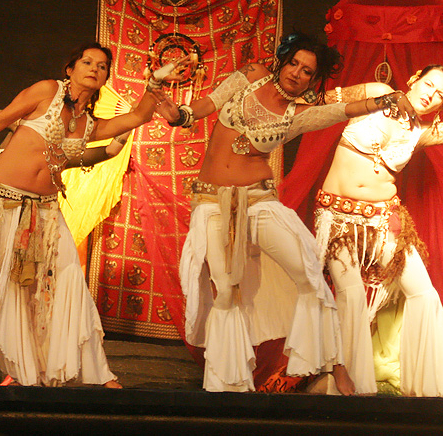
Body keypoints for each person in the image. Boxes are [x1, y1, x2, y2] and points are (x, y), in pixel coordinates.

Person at [153, 32, 414, 394]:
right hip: (212, 202)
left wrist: (386, 100)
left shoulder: (299, 115)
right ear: (282, 61)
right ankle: (227, 386)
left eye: (307, 72)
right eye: (294, 63)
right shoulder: (251, 75)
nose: (297, 73)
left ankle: (333, 367)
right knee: (226, 292)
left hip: (259, 201)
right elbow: (208, 104)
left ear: (313, 80)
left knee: (308, 275)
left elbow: (343, 109)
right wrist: (180, 115)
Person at [0, 42, 159, 387]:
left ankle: (92, 373)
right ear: (70, 68)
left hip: (43, 210)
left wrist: (155, 85)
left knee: (68, 280)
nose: (94, 68)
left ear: (105, 78)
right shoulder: (46, 93)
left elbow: (134, 121)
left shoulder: (87, 127)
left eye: (102, 66)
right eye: (87, 61)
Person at [314, 65, 443, 397]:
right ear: (413, 80)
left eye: (439, 95)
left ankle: (439, 385)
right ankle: (347, 379)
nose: (430, 94)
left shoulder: (418, 131)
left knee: (423, 293)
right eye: (428, 84)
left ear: (441, 105)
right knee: (351, 295)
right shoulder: (376, 93)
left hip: (384, 219)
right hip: (338, 218)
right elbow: (324, 101)